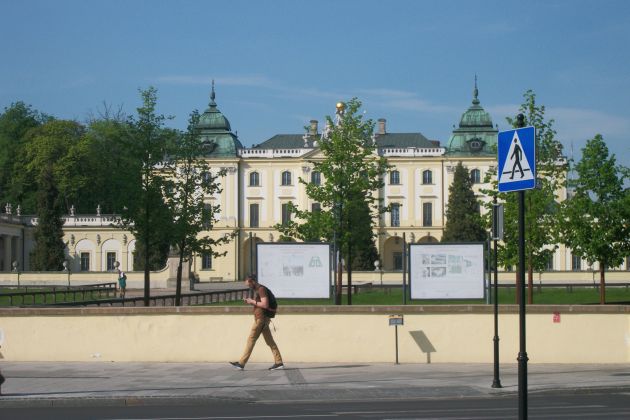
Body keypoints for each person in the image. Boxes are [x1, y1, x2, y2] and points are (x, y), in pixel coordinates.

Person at [230, 274, 284, 371]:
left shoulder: (261, 289)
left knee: (251, 339)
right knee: (270, 342)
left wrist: (252, 301)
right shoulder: (259, 289)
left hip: (261, 319)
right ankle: (279, 362)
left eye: (249, 284)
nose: (248, 287)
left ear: (252, 281)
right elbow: (261, 303)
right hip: (262, 319)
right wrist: (251, 301)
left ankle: (241, 363)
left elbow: (265, 304)